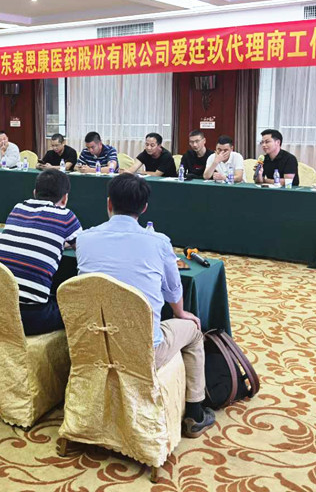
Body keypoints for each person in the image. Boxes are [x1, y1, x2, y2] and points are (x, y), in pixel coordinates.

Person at [76, 173, 215, 438]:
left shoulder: (84, 239)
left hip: (93, 340)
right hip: (142, 351)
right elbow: (173, 288)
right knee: (194, 331)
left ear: (108, 203)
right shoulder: (159, 242)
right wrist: (180, 313)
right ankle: (195, 414)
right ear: (144, 208)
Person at [0, 170, 82, 335]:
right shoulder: (66, 216)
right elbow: (82, 249)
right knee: (78, 308)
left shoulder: (18, 208)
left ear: (35, 193)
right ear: (65, 198)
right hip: (31, 317)